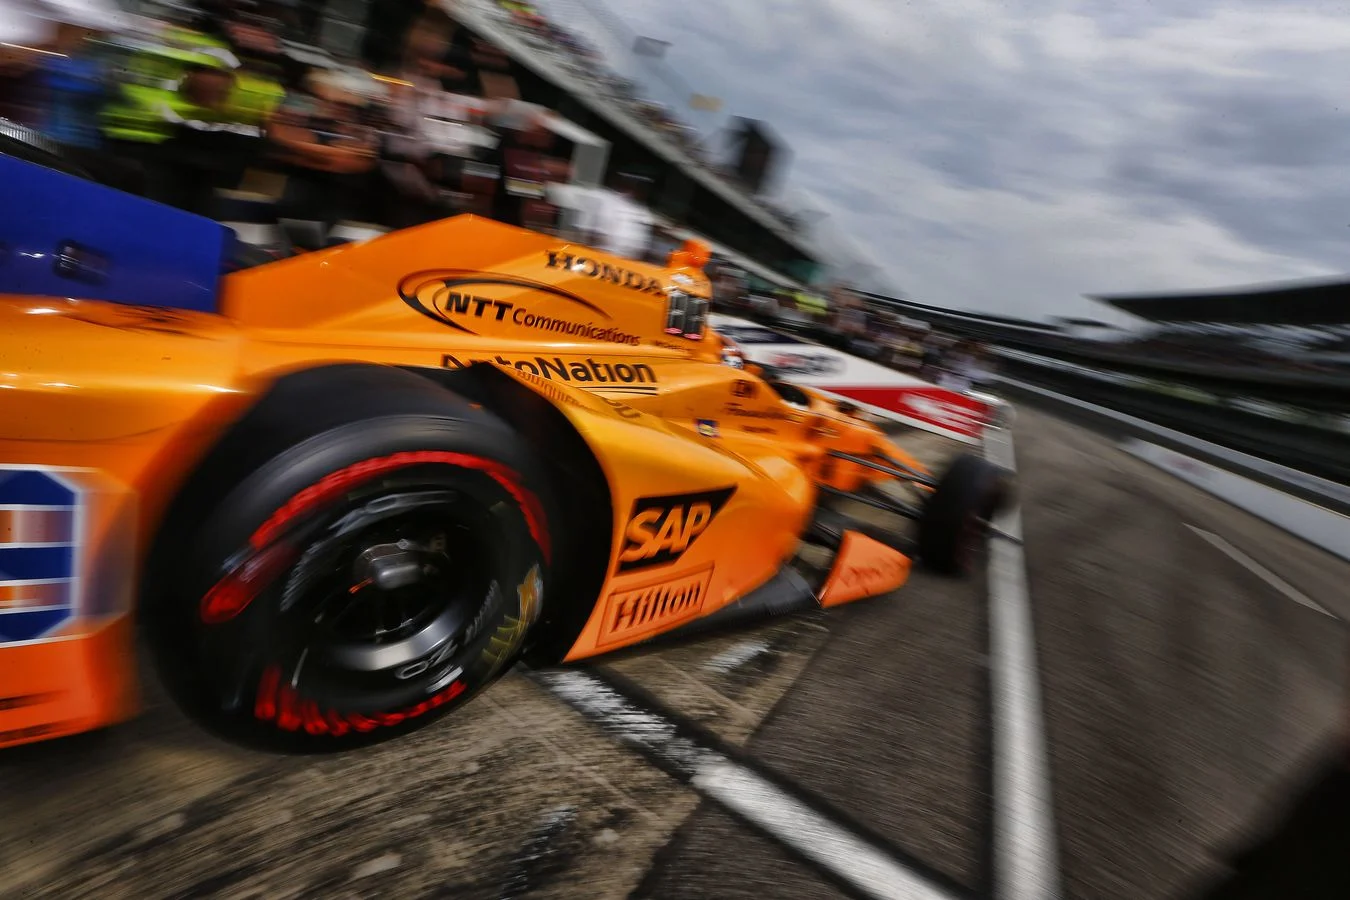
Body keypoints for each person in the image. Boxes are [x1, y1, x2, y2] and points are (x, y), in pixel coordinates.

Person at [576, 171, 654, 261]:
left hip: (629, 264)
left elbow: (643, 247)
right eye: (636, 184)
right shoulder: (603, 198)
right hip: (598, 257)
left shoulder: (642, 210)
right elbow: (589, 234)